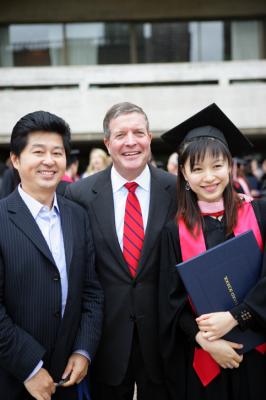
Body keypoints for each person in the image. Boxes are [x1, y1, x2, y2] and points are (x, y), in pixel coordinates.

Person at [65, 102, 177, 400]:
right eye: (121, 134)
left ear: (150, 138)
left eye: (138, 132)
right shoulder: (78, 195)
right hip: (105, 341)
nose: (130, 141)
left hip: (165, 339)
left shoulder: (178, 190)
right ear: (107, 142)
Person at [159, 103, 266, 400]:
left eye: (217, 166)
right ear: (183, 173)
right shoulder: (173, 232)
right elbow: (171, 304)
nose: (209, 177)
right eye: (197, 169)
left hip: (259, 355)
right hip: (205, 359)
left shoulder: (259, 213)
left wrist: (236, 317)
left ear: (230, 165)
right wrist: (204, 341)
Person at [0, 111, 103, 400]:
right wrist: (30, 369)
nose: (49, 160)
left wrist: (83, 351)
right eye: (38, 151)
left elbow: (92, 292)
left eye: (57, 152)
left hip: (69, 377)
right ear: (16, 159)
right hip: (13, 379)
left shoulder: (78, 216)